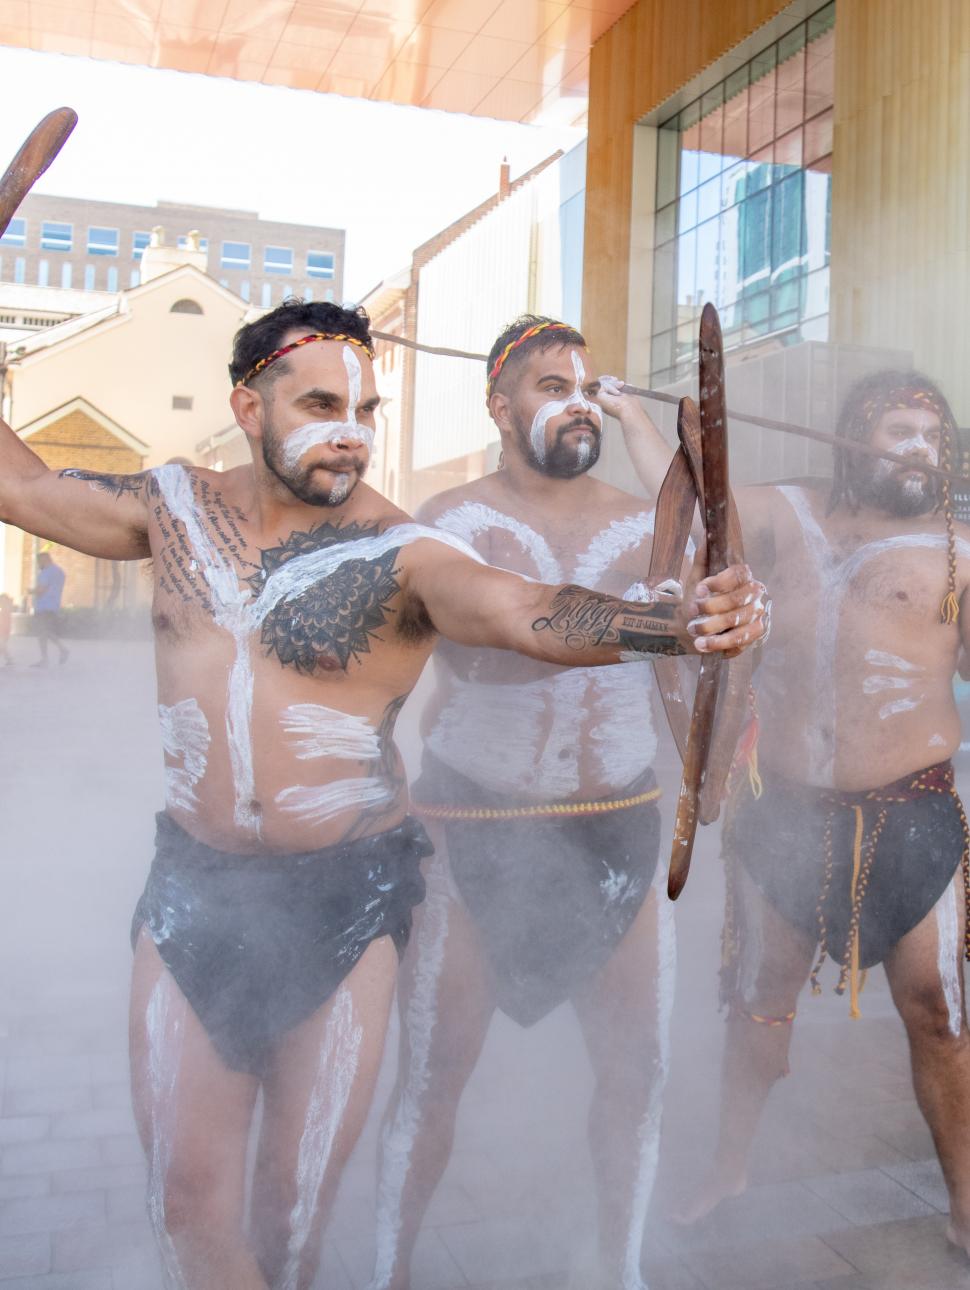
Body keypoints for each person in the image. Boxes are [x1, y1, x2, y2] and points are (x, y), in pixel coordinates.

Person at [0, 298, 765, 1290]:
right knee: (186, 1204)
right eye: (321, 402)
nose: (349, 433)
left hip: (345, 899)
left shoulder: (401, 552)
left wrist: (674, 626)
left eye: (366, 409)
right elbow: (18, 486)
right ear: (247, 402)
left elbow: (529, 612)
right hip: (191, 891)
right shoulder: (174, 510)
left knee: (290, 1214)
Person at [367, 315, 755, 1290]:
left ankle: (617, 1272)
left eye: (589, 387)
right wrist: (671, 624)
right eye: (552, 385)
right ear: (499, 407)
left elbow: (706, 604)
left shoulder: (643, 522)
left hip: (611, 832)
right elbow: (507, 626)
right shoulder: (447, 522)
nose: (576, 401)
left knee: (640, 1075)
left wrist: (731, 618)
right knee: (428, 1077)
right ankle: (385, 1272)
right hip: (473, 834)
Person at [623, 368, 970, 1257]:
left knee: (937, 1013)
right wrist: (633, 413)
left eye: (931, 441)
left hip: (915, 812)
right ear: (851, 437)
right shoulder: (787, 513)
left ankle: (969, 1205)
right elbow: (697, 507)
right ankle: (731, 1164)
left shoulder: (959, 550)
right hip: (785, 814)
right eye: (898, 433)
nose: (918, 454)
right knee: (759, 999)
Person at [30, 549, 68, 666]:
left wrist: (31, 591)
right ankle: (59, 651)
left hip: (43, 605)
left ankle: (48, 657)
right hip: (54, 605)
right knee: (45, 631)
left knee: (43, 632)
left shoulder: (46, 572)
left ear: (44, 560)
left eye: (39, 562)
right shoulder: (60, 571)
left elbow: (41, 589)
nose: (38, 565)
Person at [0, 591, 13, 665]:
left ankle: (10, 660)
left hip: (4, 633)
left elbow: (6, 624)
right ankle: (9, 660)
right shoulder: (4, 611)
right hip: (2, 632)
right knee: (2, 647)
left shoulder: (6, 612)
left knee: (2, 646)